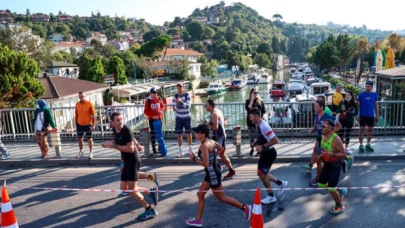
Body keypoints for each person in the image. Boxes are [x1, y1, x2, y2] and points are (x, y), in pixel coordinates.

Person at [186, 124, 251, 227]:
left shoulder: (204, 145)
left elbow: (206, 163)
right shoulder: (210, 141)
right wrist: (213, 156)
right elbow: (221, 149)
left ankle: (244, 208)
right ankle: (198, 220)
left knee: (222, 198)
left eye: (197, 132)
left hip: (213, 175)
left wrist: (194, 158)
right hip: (211, 173)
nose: (195, 134)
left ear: (202, 134)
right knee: (200, 194)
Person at [102, 112, 159, 220]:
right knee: (124, 188)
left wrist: (114, 146)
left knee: (132, 190)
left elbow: (130, 148)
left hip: (133, 160)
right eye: (117, 120)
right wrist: (109, 144)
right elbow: (123, 140)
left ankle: (150, 210)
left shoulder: (126, 130)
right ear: (112, 123)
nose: (120, 122)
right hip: (126, 161)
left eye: (121, 119)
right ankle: (150, 191)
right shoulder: (115, 130)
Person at [249, 108, 288, 204]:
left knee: (263, 174)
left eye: (251, 117)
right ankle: (281, 183)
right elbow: (263, 138)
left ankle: (271, 196)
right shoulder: (258, 125)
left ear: (257, 116)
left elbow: (275, 140)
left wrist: (262, 146)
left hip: (269, 154)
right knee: (260, 173)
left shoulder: (264, 126)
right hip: (265, 153)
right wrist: (256, 143)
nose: (250, 119)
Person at [301, 100, 342, 186]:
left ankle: (319, 178)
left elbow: (339, 126)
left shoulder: (328, 117)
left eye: (316, 106)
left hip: (327, 140)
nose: (314, 108)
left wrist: (330, 132)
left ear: (321, 107)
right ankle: (321, 176)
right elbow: (316, 126)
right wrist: (312, 130)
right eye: (314, 106)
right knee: (319, 158)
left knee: (320, 160)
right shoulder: (316, 116)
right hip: (320, 139)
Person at [317, 119, 348, 215]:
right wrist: (321, 157)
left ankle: (339, 205)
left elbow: (344, 154)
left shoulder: (336, 139)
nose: (321, 128)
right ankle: (340, 190)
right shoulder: (323, 136)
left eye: (323, 126)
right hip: (326, 165)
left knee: (331, 188)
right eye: (321, 126)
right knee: (321, 184)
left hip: (335, 166)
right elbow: (324, 150)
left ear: (330, 128)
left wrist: (333, 154)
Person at [204, 99, 237, 180]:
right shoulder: (215, 111)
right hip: (218, 136)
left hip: (220, 136)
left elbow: (215, 127)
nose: (205, 107)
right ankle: (219, 167)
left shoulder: (214, 114)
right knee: (219, 154)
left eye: (206, 105)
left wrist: (207, 124)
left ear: (211, 106)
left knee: (218, 153)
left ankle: (230, 171)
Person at [336, 91, 357, 173]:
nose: (347, 96)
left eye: (348, 95)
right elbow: (337, 110)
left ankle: (346, 148)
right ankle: (341, 147)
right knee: (340, 134)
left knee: (347, 134)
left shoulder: (353, 103)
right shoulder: (342, 102)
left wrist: (348, 112)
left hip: (349, 121)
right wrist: (341, 111)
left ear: (351, 96)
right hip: (341, 120)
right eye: (346, 95)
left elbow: (356, 113)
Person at [357, 81, 378, 153]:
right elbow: (358, 106)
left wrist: (377, 115)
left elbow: (376, 105)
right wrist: (357, 116)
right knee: (361, 130)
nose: (367, 88)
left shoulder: (374, 94)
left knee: (370, 131)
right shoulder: (361, 95)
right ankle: (361, 144)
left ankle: (368, 144)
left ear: (371, 87)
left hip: (371, 116)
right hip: (362, 116)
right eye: (366, 86)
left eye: (368, 86)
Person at [144, 88, 165, 157]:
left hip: (159, 119)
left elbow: (163, 106)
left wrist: (161, 111)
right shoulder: (148, 101)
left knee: (160, 133)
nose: (155, 94)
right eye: (154, 93)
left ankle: (160, 147)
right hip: (152, 120)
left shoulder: (159, 99)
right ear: (151, 94)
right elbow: (146, 111)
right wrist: (152, 117)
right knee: (153, 134)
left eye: (156, 93)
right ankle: (154, 150)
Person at [173, 83, 192, 158]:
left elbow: (189, 106)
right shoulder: (175, 96)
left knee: (189, 133)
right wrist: (177, 104)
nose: (179, 89)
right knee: (179, 135)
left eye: (180, 88)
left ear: (183, 88)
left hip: (187, 117)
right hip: (179, 118)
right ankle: (180, 150)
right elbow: (174, 108)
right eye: (178, 88)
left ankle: (190, 149)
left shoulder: (187, 95)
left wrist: (181, 102)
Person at [245, 88, 266, 156]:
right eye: (254, 92)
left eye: (257, 92)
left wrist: (262, 118)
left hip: (258, 123)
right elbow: (249, 108)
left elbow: (263, 110)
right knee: (251, 137)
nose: (256, 94)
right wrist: (252, 100)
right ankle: (252, 148)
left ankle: (259, 150)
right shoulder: (248, 101)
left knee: (258, 137)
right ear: (251, 93)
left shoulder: (260, 101)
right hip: (250, 122)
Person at [75, 92, 96, 159]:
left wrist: (93, 124)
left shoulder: (89, 103)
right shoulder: (77, 104)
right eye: (80, 97)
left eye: (83, 96)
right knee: (79, 139)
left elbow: (94, 115)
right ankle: (81, 151)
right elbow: (76, 114)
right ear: (79, 97)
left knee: (89, 139)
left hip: (88, 124)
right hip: (79, 124)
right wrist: (76, 123)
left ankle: (91, 152)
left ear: (85, 96)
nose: (82, 98)